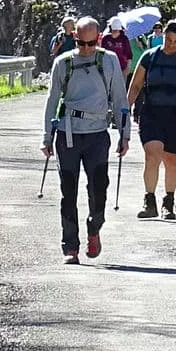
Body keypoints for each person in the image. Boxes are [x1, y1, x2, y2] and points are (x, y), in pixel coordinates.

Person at [42, 17, 130, 264]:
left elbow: (120, 100)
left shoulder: (109, 61)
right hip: (68, 134)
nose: (86, 49)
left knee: (98, 189)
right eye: (81, 43)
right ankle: (71, 247)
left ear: (99, 38)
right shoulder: (63, 63)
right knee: (68, 192)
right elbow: (52, 101)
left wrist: (125, 134)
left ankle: (94, 227)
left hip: (97, 134)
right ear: (75, 39)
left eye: (91, 44)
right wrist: (46, 137)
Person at [127, 18, 176, 221]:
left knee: (171, 160)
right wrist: (126, 108)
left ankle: (168, 201)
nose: (171, 45)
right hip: (151, 112)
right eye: (169, 40)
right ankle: (149, 200)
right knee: (152, 155)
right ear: (163, 36)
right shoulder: (149, 56)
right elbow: (135, 86)